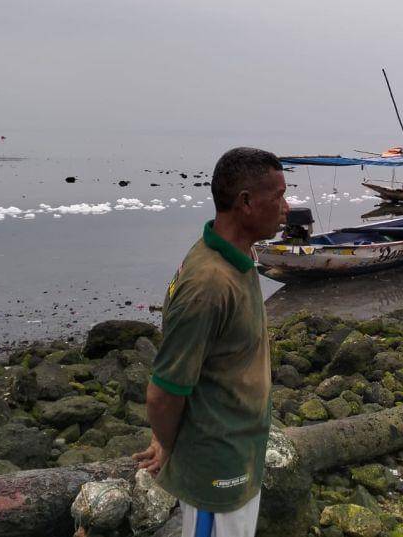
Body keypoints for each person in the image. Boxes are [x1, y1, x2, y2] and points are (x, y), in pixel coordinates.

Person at [134, 147, 287, 537]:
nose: (287, 207)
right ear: (246, 203)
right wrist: (167, 445)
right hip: (217, 466)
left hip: (240, 450)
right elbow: (164, 391)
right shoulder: (208, 284)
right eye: (279, 196)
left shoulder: (239, 255)